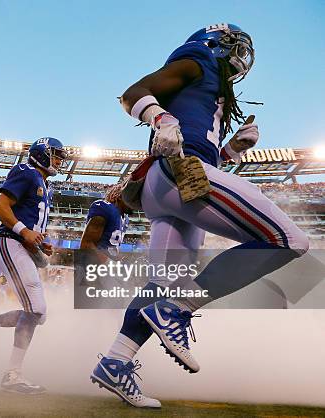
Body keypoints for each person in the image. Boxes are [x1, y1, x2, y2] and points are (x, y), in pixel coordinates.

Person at [91, 23, 308, 408]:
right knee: (290, 240)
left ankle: (115, 361)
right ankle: (179, 309)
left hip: (173, 185)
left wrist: (233, 151)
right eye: (236, 48)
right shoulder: (198, 59)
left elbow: (204, 149)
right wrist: (160, 118)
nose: (241, 58)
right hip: (179, 174)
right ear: (220, 44)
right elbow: (132, 94)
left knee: (162, 284)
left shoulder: (211, 89)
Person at [0, 137, 67, 394]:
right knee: (36, 309)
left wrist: (40, 242)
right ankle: (12, 374)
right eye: (56, 155)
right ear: (42, 153)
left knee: (37, 314)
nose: (60, 161)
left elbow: (30, 221)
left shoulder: (43, 183)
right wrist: (24, 231)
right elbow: (0, 207)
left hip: (23, 246)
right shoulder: (26, 171)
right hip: (11, 243)